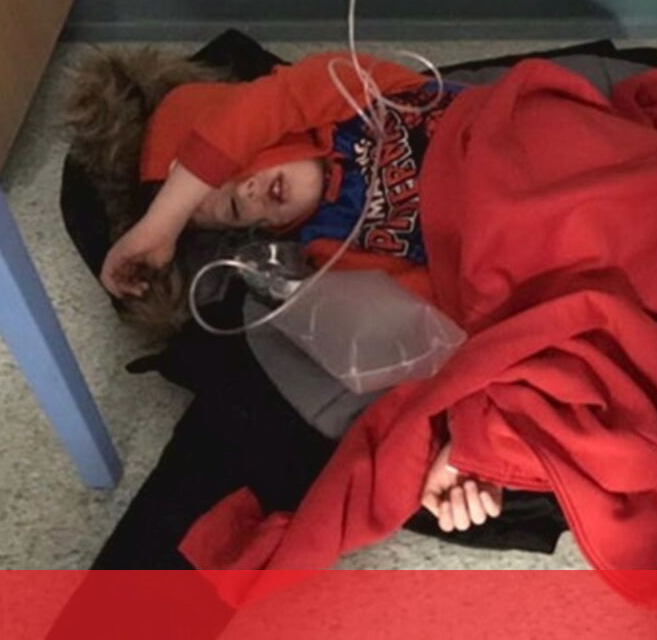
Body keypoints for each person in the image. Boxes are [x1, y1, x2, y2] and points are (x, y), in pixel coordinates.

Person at [67, 48, 499, 532]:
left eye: (236, 164)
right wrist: (470, 436)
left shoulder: (350, 94)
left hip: (514, 139)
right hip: (515, 241)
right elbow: (451, 322)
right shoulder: (331, 250)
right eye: (234, 207)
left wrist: (160, 225)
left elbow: (261, 108)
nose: (247, 190)